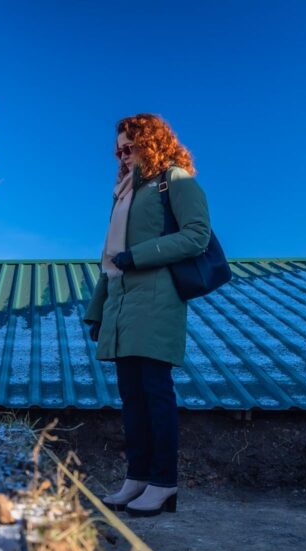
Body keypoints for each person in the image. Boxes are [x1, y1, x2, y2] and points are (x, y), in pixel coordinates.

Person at [84, 114, 211, 517]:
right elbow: (110, 262)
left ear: (150, 141)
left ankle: (163, 482)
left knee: (156, 394)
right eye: (118, 149)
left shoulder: (174, 179)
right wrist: (97, 311)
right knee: (131, 397)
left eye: (130, 146)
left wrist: (137, 256)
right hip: (122, 303)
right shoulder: (122, 193)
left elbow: (197, 235)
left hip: (158, 300)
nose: (123, 154)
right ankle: (136, 478)